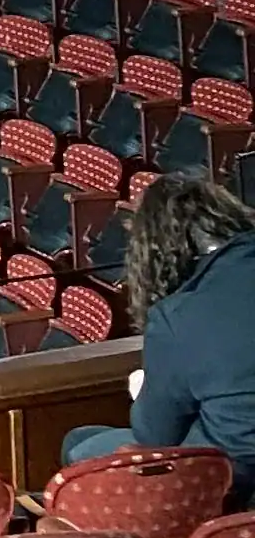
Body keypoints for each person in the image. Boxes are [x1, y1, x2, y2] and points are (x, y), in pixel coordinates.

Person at [61, 171, 255, 499]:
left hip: (231, 479)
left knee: (78, 446)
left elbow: (154, 435)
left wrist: (143, 390)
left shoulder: (179, 316)